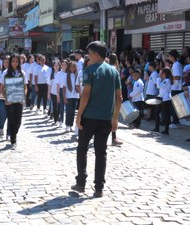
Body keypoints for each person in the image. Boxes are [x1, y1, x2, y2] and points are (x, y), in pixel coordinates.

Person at [72, 41, 122, 198]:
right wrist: (115, 118)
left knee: (82, 149)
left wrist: (78, 115)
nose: (88, 57)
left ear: (95, 54)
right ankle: (99, 187)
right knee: (101, 152)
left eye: (89, 54)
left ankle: (81, 183)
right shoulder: (114, 72)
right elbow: (119, 97)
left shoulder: (89, 70)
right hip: (106, 119)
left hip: (89, 117)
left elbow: (85, 95)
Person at [0, 54, 27, 149]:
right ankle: (13, 141)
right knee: (11, 120)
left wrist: (23, 97)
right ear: (10, 62)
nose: (14, 63)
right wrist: (6, 98)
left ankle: (13, 133)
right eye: (13, 61)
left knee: (18, 121)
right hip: (9, 101)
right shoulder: (6, 73)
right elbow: (1, 88)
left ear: (19, 62)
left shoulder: (22, 73)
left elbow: (25, 87)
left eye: (16, 61)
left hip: (19, 100)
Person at [152, 68, 173, 135]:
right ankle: (157, 128)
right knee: (156, 112)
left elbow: (159, 86)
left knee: (166, 115)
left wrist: (158, 79)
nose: (160, 74)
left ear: (165, 74)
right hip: (161, 98)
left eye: (162, 73)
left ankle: (166, 130)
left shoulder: (167, 80)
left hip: (166, 99)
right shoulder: (164, 80)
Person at [63, 61, 80, 132]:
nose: (72, 68)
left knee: (73, 111)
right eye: (71, 66)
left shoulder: (77, 75)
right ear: (69, 67)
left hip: (75, 96)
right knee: (68, 111)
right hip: (68, 96)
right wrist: (64, 96)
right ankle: (67, 125)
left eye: (74, 66)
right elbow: (64, 87)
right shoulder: (66, 75)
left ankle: (71, 125)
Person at [168, 50, 183, 129]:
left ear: (173, 56)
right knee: (176, 105)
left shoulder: (176, 65)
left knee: (174, 106)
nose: (169, 57)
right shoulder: (178, 64)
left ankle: (175, 122)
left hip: (176, 87)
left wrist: (169, 77)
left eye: (169, 56)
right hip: (177, 87)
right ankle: (176, 121)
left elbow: (177, 77)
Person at [48, 60, 60, 125]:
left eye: (57, 65)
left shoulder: (61, 73)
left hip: (60, 93)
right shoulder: (52, 74)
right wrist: (48, 93)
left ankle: (59, 118)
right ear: (53, 66)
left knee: (60, 107)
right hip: (53, 92)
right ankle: (56, 120)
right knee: (55, 106)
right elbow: (49, 85)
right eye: (55, 65)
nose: (56, 66)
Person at [56, 59, 68, 128]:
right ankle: (61, 121)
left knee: (68, 107)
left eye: (65, 64)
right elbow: (58, 84)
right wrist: (57, 94)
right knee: (61, 106)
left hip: (68, 90)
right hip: (61, 90)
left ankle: (67, 122)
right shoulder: (59, 73)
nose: (63, 66)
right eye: (62, 64)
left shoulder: (69, 73)